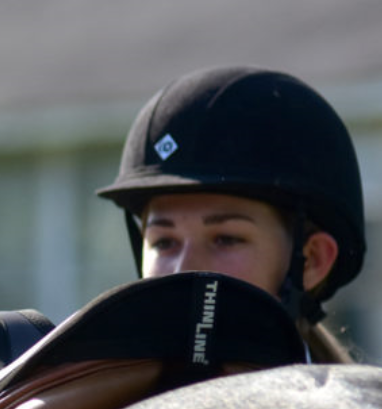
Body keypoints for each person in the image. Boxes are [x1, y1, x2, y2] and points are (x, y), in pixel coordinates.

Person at [97, 65, 367, 363]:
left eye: (225, 239)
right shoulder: (87, 405)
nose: (182, 271)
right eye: (163, 242)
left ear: (312, 260)